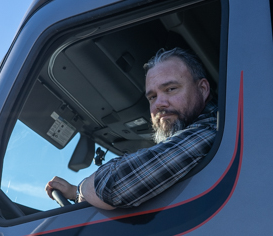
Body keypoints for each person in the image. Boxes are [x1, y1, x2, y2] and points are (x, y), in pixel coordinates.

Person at [45, 47, 217, 209]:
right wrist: (76, 192)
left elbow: (114, 185)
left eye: (171, 89)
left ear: (202, 89)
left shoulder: (212, 129)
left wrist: (80, 190)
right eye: (152, 97)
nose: (158, 104)